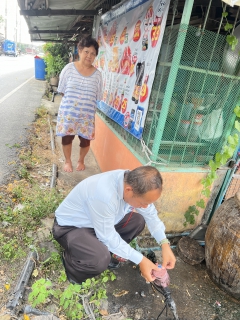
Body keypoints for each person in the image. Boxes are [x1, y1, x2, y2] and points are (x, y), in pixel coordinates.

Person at [52, 166, 176, 284]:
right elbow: (107, 236)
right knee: (99, 259)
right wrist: (141, 260)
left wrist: (164, 243)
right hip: (71, 227)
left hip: (98, 223)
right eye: (143, 203)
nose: (145, 207)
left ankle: (105, 251)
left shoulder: (132, 182)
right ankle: (73, 264)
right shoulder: (104, 196)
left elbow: (151, 215)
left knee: (137, 221)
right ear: (129, 190)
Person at [56, 37, 103, 172]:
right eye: (87, 52)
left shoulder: (97, 75)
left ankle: (81, 161)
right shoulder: (68, 69)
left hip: (86, 117)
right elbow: (62, 90)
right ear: (80, 51)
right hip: (69, 114)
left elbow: (98, 96)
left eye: (93, 53)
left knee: (85, 140)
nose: (89, 56)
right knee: (67, 139)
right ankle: (68, 161)